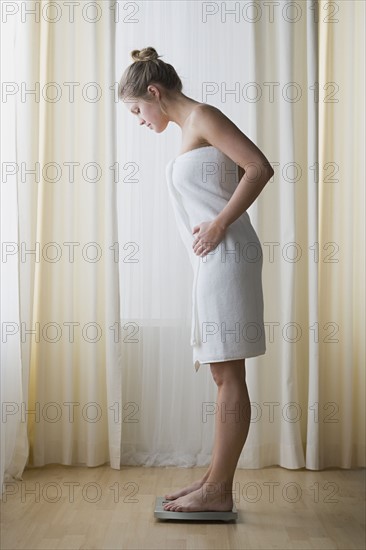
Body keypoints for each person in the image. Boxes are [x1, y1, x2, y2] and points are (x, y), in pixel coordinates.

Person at [119, 47, 274, 513]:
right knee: (222, 375)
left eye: (136, 110)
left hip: (229, 254)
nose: (139, 121)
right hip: (214, 261)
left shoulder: (204, 116)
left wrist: (220, 223)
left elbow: (259, 167)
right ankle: (212, 479)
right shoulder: (189, 129)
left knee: (229, 376)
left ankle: (219, 490)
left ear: (153, 92)